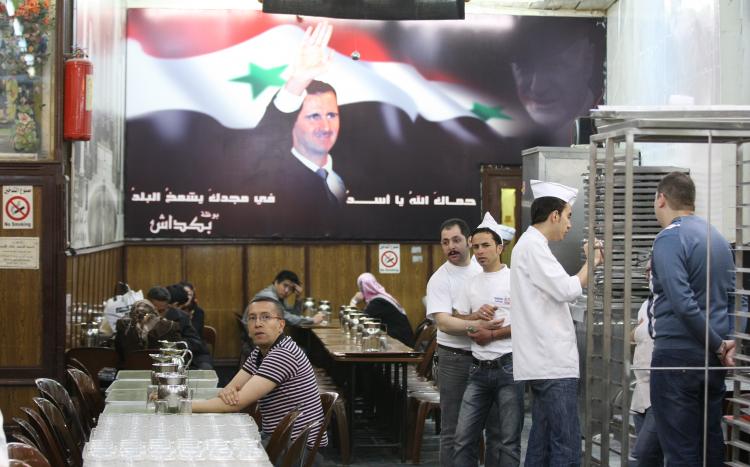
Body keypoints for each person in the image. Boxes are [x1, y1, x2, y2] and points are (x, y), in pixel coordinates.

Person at [509, 180, 602, 466]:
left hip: (543, 360)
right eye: (569, 216)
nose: (570, 225)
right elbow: (567, 289)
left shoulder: (531, 246)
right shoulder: (533, 247)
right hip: (552, 362)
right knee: (566, 442)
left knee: (542, 439)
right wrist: (593, 262)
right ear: (554, 216)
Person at [649, 171, 735, 466]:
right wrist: (728, 343)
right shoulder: (718, 238)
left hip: (677, 358)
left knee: (680, 451)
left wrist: (718, 345)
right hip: (712, 363)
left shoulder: (669, 239)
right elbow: (735, 297)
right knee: (709, 445)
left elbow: (683, 304)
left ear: (661, 198)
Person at [192, 297, 327, 464]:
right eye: (252, 318)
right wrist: (229, 391)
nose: (258, 323)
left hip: (297, 449)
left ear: (281, 325)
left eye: (265, 317)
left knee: (217, 455)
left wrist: (180, 405)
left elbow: (234, 403)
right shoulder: (260, 352)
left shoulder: (283, 354)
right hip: (277, 437)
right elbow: (230, 390)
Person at [250, 22, 345, 235]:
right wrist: (299, 79)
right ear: (292, 122)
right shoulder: (269, 171)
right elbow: (268, 130)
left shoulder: (354, 170)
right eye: (314, 116)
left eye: (331, 115)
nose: (326, 126)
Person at [453, 215, 524, 467]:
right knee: (463, 438)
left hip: (509, 366)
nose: (480, 251)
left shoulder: (515, 279)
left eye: (486, 245)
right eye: (476, 247)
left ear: (500, 247)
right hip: (478, 368)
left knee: (507, 441)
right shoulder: (471, 282)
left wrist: (492, 334)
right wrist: (475, 317)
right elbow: (458, 317)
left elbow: (527, 323)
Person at [509, 17, 603, 146]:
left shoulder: (604, 132)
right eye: (524, 66)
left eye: (553, 66)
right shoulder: (506, 141)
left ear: (587, 62)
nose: (537, 88)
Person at [629, 258, 662, 467]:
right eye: (646, 270)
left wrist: (639, 330)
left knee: (641, 456)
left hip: (660, 391)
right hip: (641, 392)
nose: (648, 274)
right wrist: (637, 330)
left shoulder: (672, 305)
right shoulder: (645, 304)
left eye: (652, 270)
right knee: (653, 460)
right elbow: (633, 335)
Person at [147, 286, 213, 370]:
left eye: (161, 311)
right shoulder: (142, 317)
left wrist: (174, 343)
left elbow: (196, 343)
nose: (158, 315)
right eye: (154, 311)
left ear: (168, 306)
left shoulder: (181, 317)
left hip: (188, 356)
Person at [350, 273, 416, 347]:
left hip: (402, 347)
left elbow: (357, 323)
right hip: (398, 342)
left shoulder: (378, 302)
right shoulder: (381, 298)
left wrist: (354, 301)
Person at [243, 270, 324, 327]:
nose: (287, 291)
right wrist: (312, 320)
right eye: (285, 285)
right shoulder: (268, 297)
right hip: (257, 343)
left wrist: (298, 297)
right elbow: (286, 318)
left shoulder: (279, 297)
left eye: (291, 289)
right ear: (276, 282)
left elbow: (294, 315)